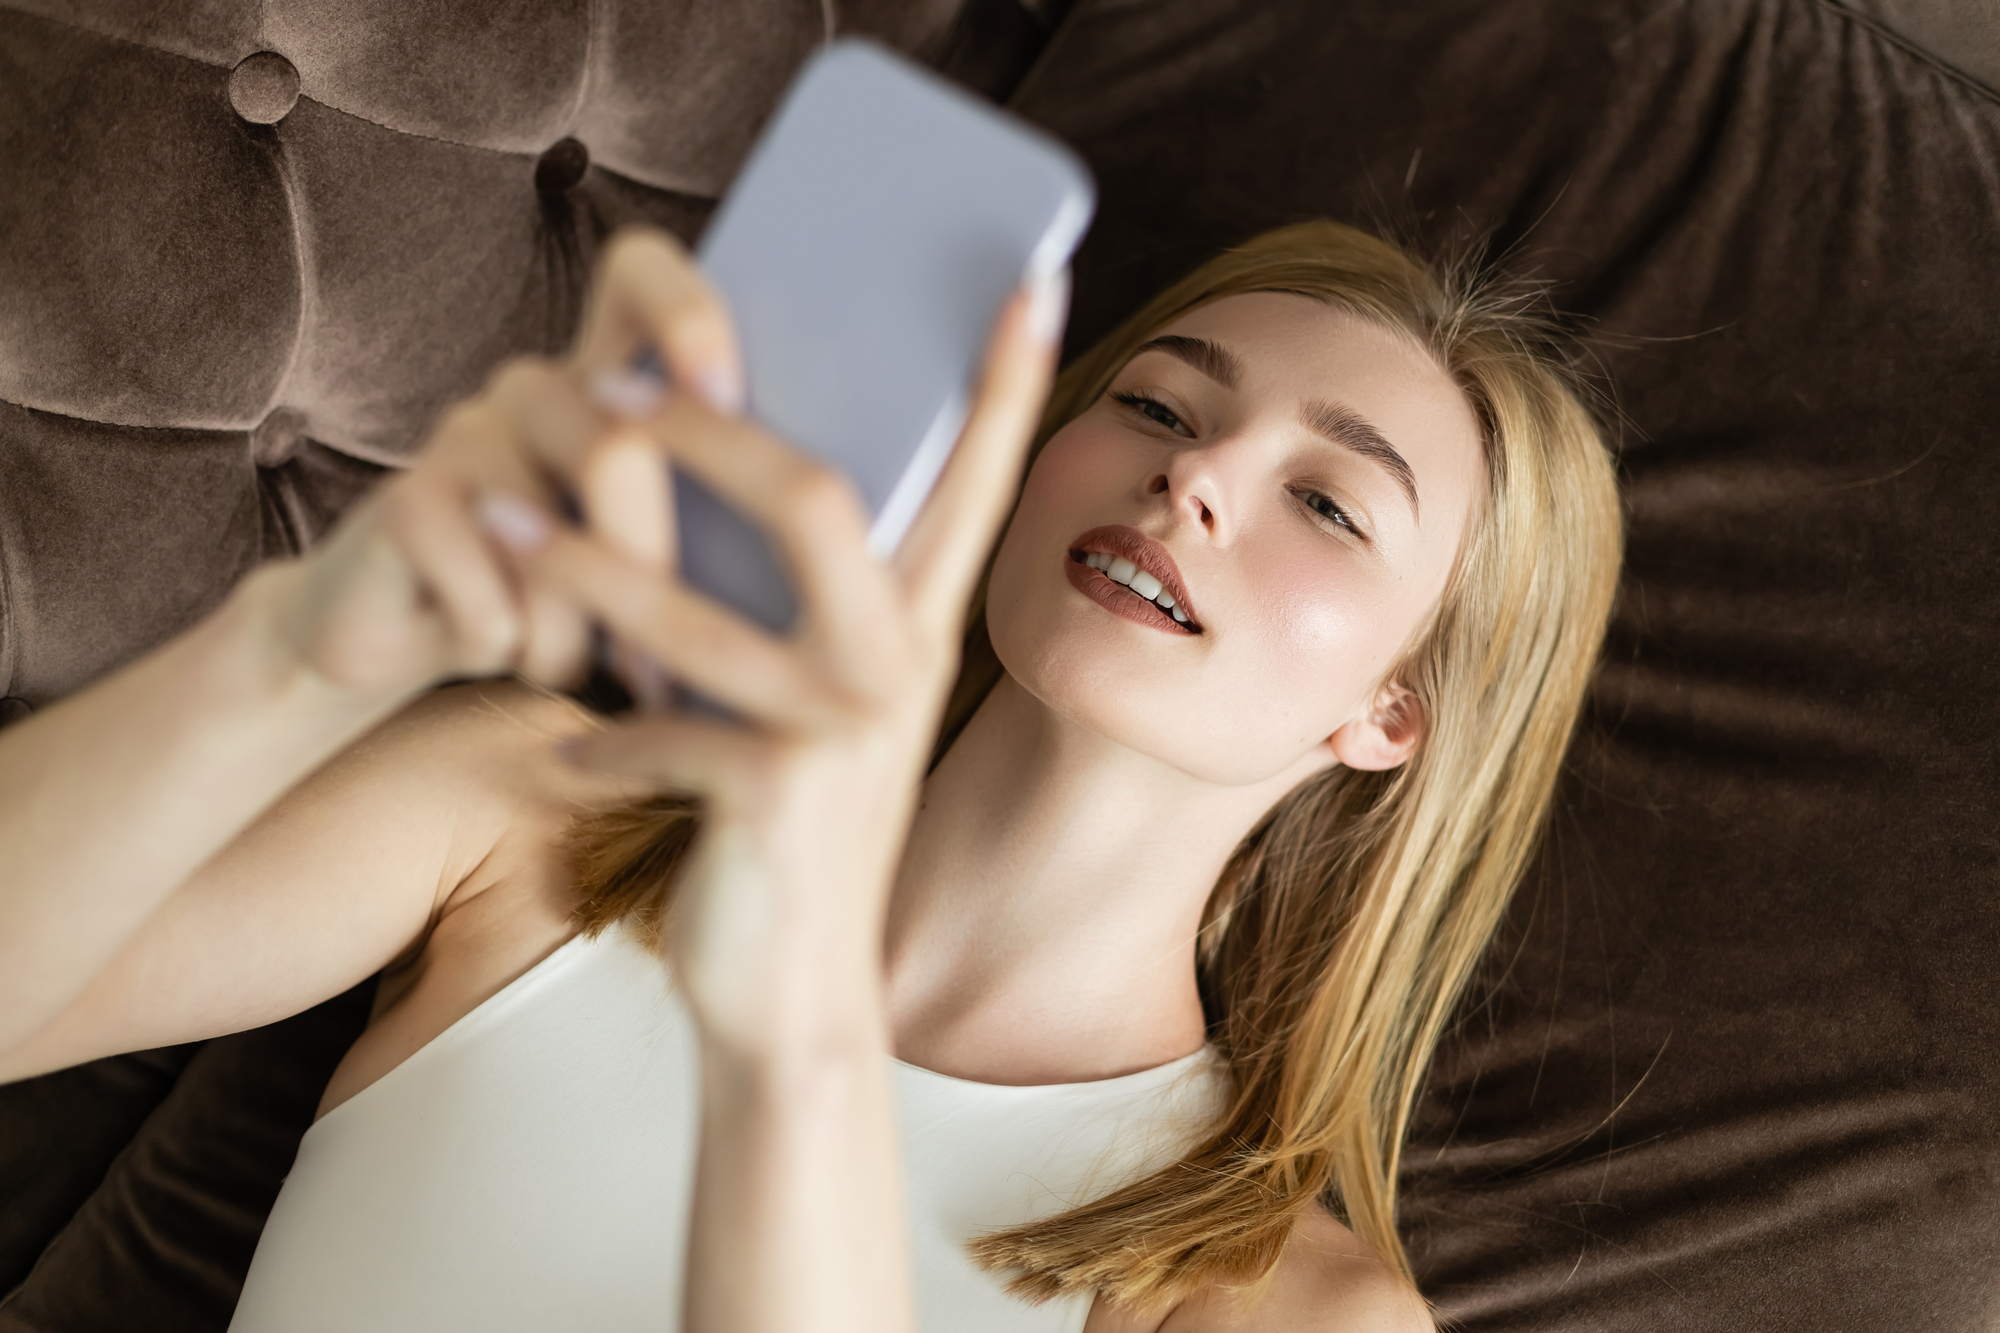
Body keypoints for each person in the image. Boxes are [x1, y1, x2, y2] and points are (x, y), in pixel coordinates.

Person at [0, 218, 1620, 1332]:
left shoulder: (1276, 1296)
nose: (1192, 472)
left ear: (1393, 713)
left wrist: (797, 1042)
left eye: (1328, 502)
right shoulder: (535, 817)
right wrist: (298, 650)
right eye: (1154, 400)